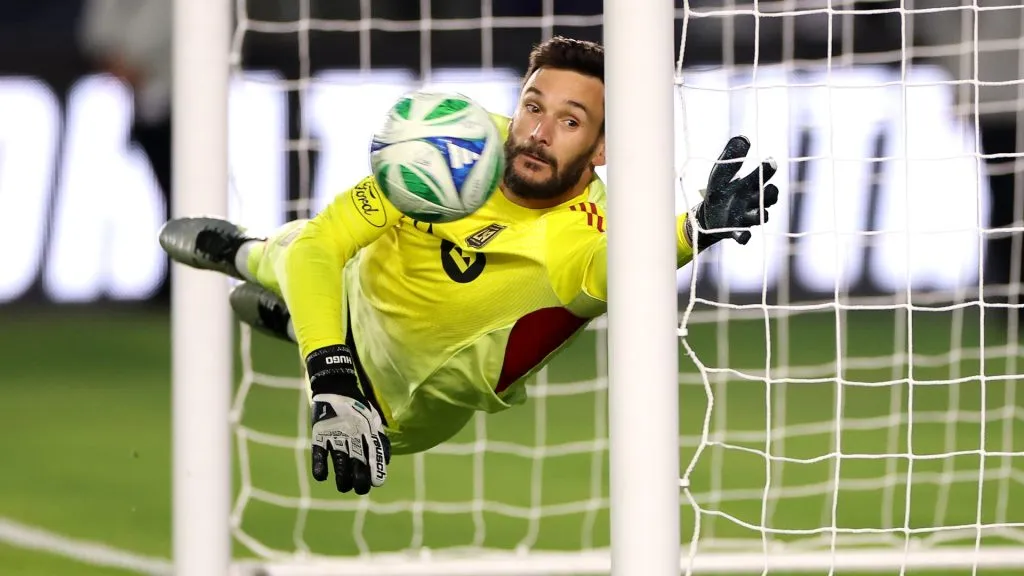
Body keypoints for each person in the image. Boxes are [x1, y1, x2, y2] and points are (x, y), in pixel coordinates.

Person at [159, 37, 780, 496]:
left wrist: (693, 231)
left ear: (602, 148)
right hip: (363, 289)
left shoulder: (580, 233)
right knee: (299, 249)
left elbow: (619, 268)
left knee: (323, 327)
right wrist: (328, 372)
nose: (538, 133)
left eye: (570, 121)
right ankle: (238, 253)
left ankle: (301, 320)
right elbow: (325, 245)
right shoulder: (454, 140)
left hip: (401, 401)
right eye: (533, 107)